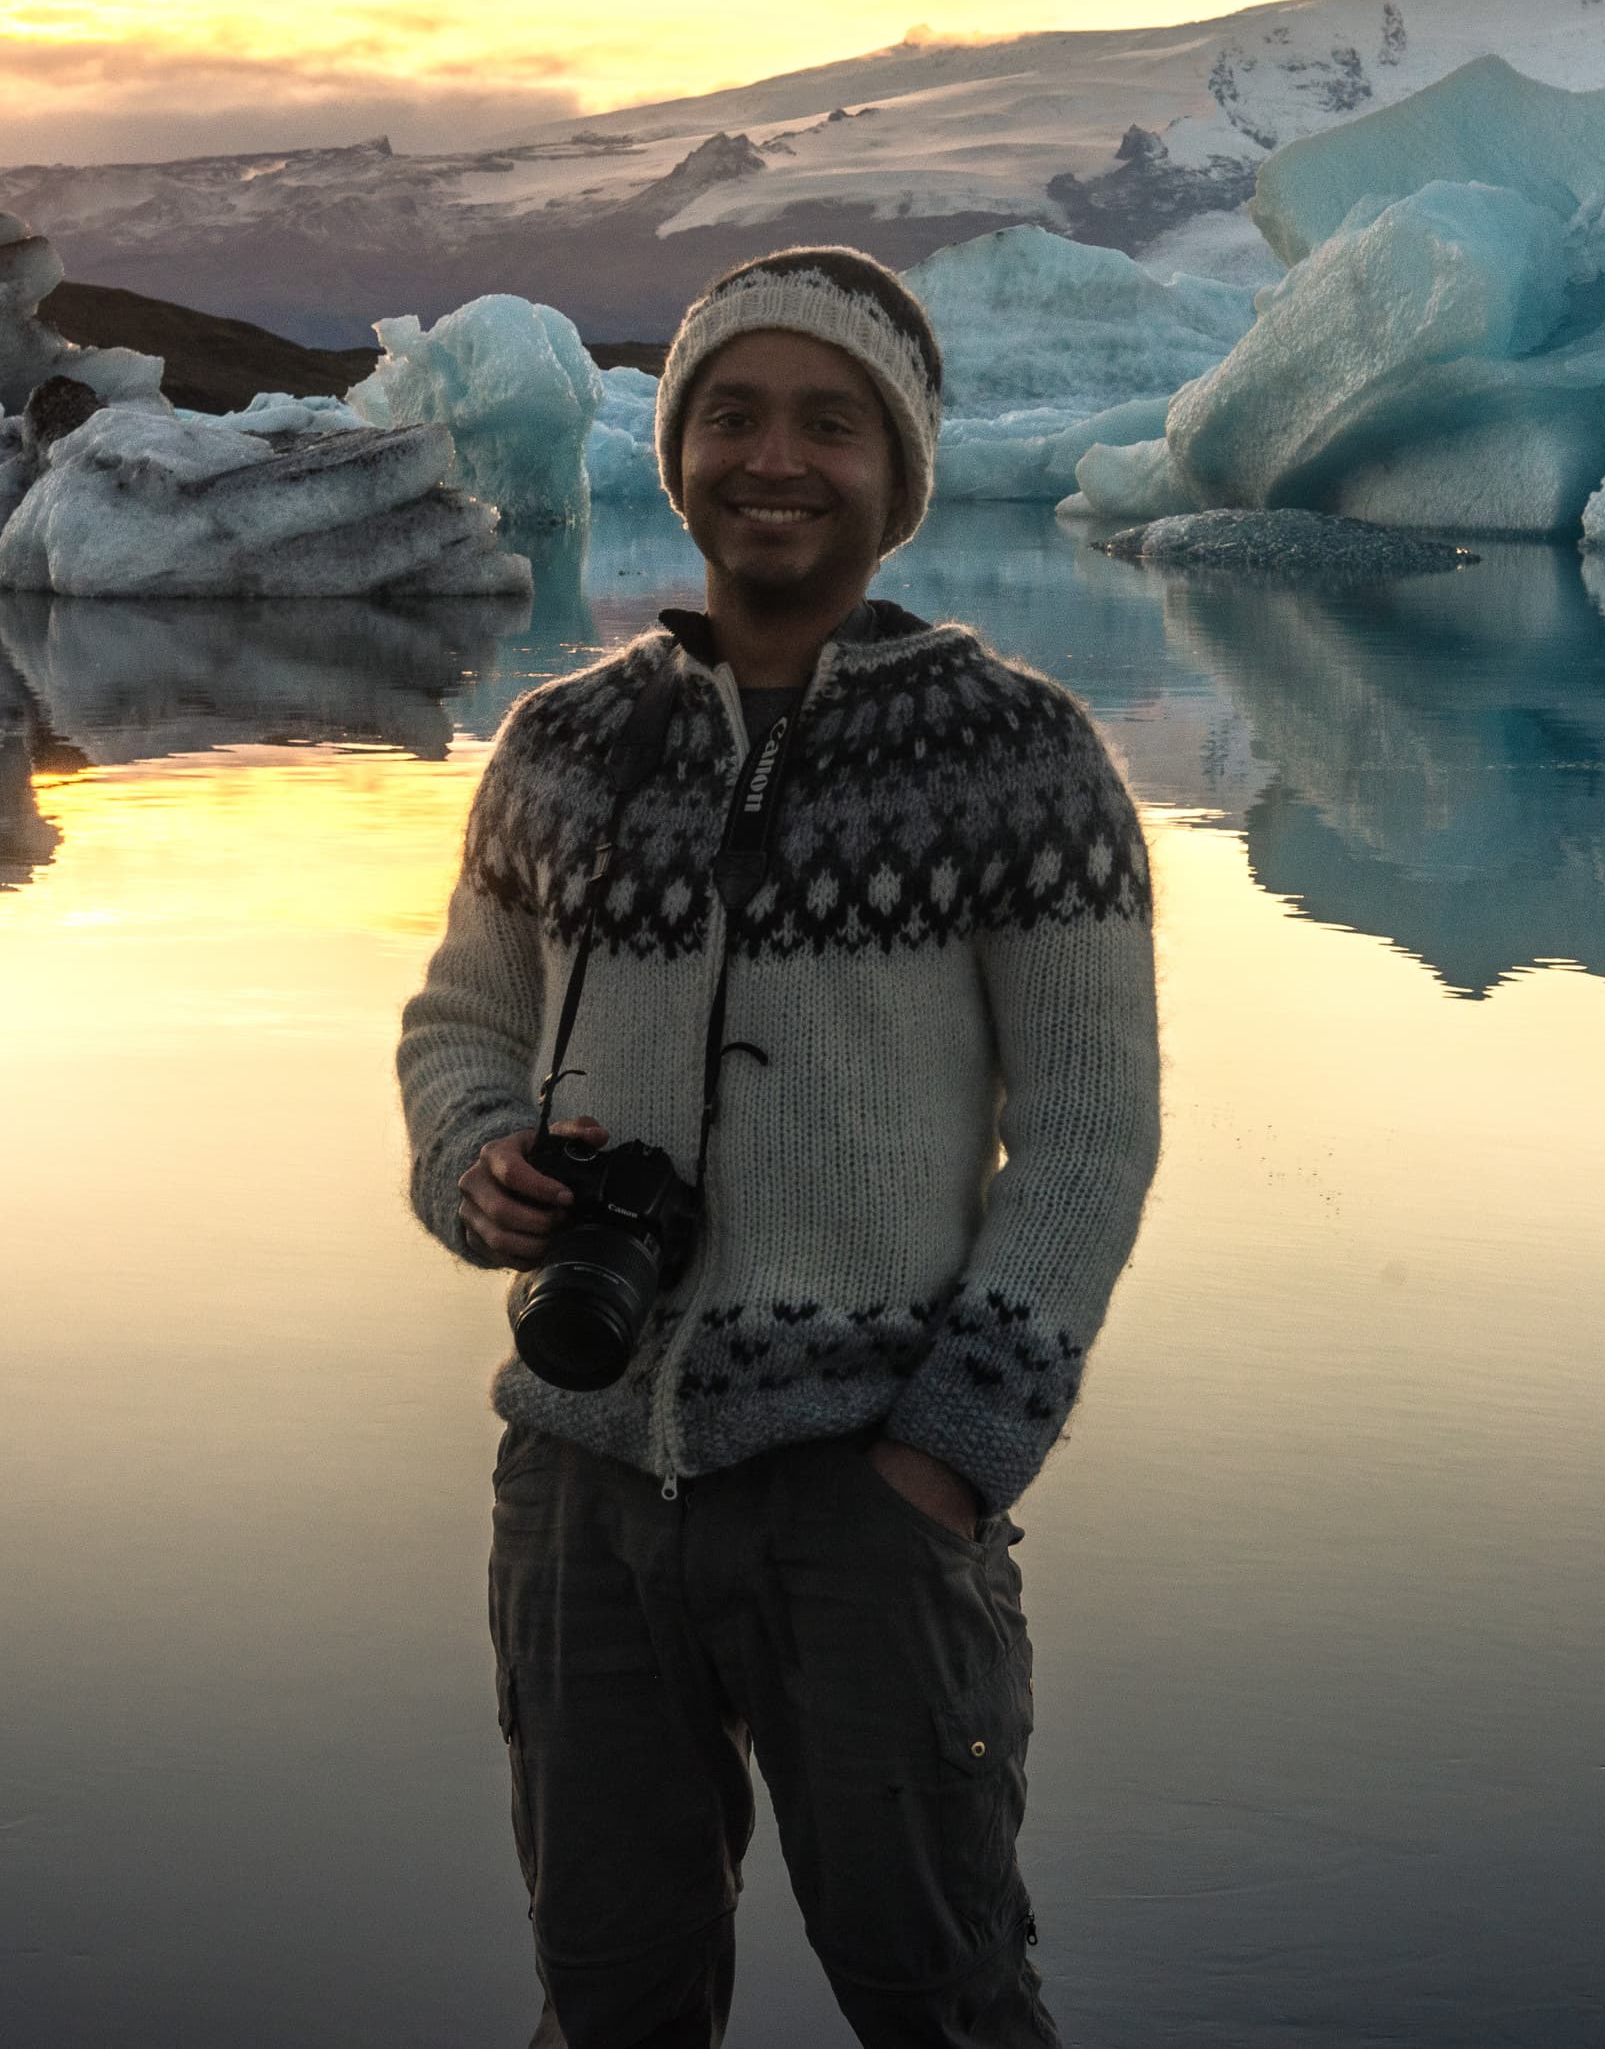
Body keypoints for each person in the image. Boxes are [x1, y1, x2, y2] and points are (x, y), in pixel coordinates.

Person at [395, 246, 1162, 2047]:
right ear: (676, 453)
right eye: (732, 413)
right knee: (610, 2001)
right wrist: (480, 1161)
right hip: (585, 1474)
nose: (775, 459)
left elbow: (1088, 1142)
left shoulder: (1024, 762)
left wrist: (953, 1460)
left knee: (944, 2000)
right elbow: (462, 1022)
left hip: (870, 1497)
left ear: (898, 473)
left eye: (831, 422)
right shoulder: (564, 747)